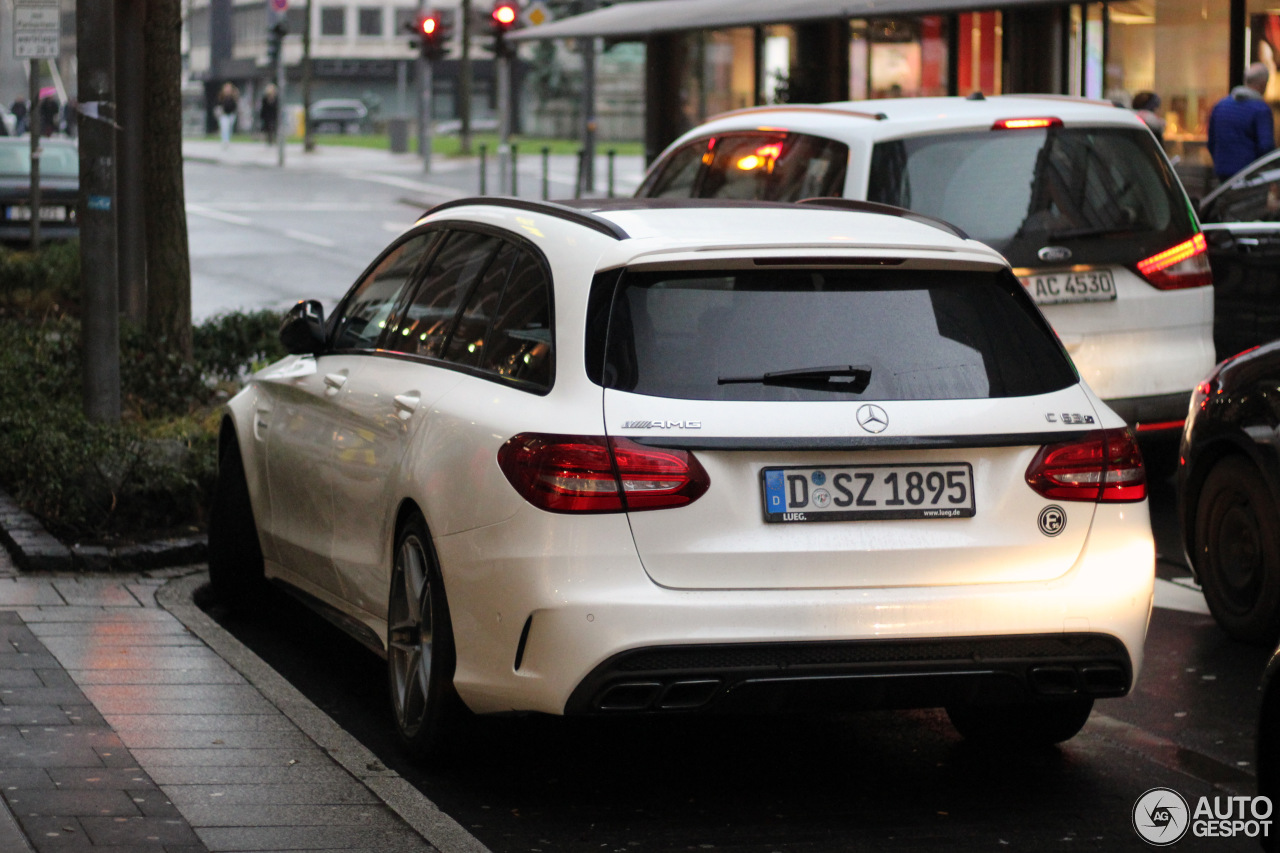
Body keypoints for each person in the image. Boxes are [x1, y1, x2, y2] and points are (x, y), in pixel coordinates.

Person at [1208, 62, 1276, 181]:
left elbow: (1211, 142)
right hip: (1249, 177)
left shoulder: (1220, 106)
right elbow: (1266, 147)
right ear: (1263, 84)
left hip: (1222, 174)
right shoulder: (1261, 110)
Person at [217, 82, 240, 148]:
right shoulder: (222, 96)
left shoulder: (233, 96)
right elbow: (219, 104)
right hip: (224, 115)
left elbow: (235, 104)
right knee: (224, 127)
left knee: (229, 128)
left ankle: (227, 140)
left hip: (231, 114)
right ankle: (225, 141)